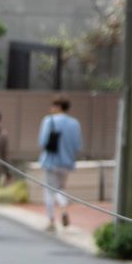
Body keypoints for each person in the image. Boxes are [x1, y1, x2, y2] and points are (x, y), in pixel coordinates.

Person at [38, 96, 82, 232]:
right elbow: (78, 146)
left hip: (51, 161)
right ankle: (63, 208)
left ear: (57, 107)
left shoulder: (48, 120)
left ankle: (51, 220)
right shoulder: (75, 123)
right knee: (61, 188)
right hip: (67, 162)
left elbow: (42, 142)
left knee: (50, 191)